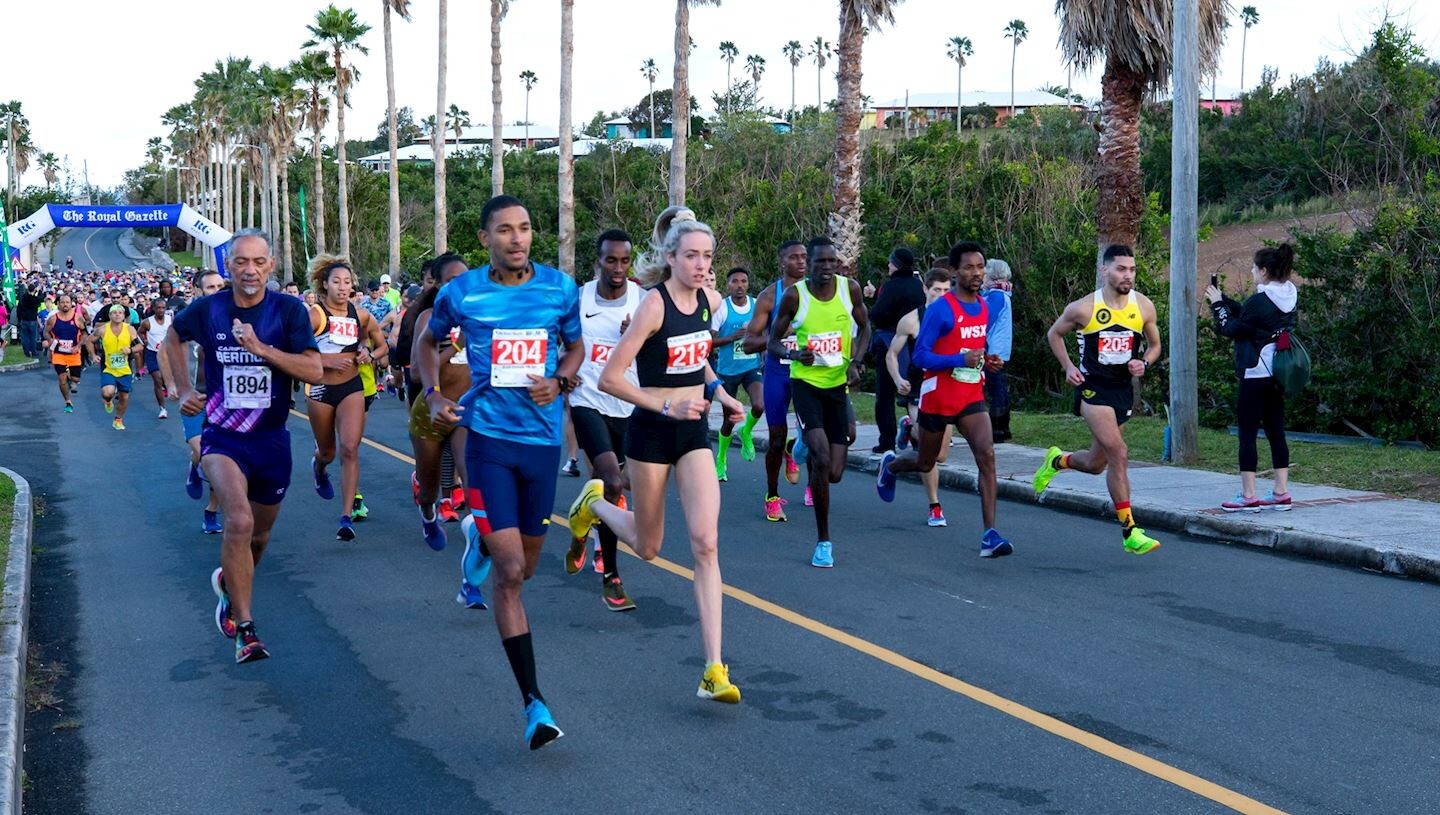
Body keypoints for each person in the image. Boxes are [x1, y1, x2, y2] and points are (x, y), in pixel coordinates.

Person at [414, 194, 583, 750]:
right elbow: (426, 342)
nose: (517, 238)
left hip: (542, 445)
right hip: (487, 442)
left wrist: (559, 380)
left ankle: (479, 543)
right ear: (485, 238)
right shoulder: (461, 292)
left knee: (525, 567)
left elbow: (576, 348)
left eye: (525, 228)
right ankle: (535, 704)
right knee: (511, 573)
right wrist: (434, 394)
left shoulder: (559, 288)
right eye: (505, 230)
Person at [567, 205, 745, 704]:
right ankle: (594, 504)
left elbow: (696, 356)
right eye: (691, 256)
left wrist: (721, 394)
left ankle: (713, 669)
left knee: (706, 543)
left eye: (707, 256)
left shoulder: (710, 300)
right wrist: (666, 404)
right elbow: (611, 378)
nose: (701, 265)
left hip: (692, 433)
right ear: (671, 258)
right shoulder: (652, 306)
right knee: (648, 547)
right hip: (651, 432)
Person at [164, 228, 322, 664]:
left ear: (271, 266)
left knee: (260, 534)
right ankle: (245, 630)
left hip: (271, 441)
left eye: (258, 262)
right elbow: (172, 338)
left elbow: (314, 370)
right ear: (228, 266)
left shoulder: (288, 310)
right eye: (240, 262)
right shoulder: (210, 308)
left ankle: (229, 587)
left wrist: (262, 349)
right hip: (223, 436)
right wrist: (183, 388)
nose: (249, 270)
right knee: (238, 519)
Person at [878, 242, 1012, 556]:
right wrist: (959, 360)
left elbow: (974, 350)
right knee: (926, 462)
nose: (976, 273)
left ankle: (990, 535)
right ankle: (891, 466)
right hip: (938, 395)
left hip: (970, 394)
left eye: (980, 267)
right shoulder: (941, 309)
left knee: (987, 456)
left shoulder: (984, 306)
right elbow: (921, 357)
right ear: (954, 272)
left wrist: (987, 362)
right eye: (969, 267)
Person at [1032, 244, 1163, 555]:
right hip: (1092, 389)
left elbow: (1155, 346)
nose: (1128, 275)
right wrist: (1068, 367)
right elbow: (1054, 334)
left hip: (1121, 390)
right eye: (1121, 269)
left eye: (1132, 269)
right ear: (1105, 270)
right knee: (1119, 452)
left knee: (1095, 464)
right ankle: (1130, 531)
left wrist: (1144, 363)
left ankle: (1057, 460)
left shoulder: (1143, 306)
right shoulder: (1084, 308)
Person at [767, 236, 870, 568]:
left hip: (837, 387)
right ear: (808, 265)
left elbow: (865, 328)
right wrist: (795, 354)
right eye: (819, 262)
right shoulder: (795, 296)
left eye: (831, 261)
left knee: (835, 473)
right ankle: (823, 542)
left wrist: (856, 363)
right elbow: (772, 342)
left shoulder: (849, 290)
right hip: (806, 385)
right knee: (822, 460)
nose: (826, 267)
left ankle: (800, 449)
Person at [564, 229, 643, 612]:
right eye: (611, 260)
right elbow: (558, 343)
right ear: (598, 262)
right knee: (610, 481)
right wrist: (563, 373)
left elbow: (659, 351)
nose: (618, 268)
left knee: (620, 485)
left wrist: (639, 337)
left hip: (628, 405)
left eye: (624, 261)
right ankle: (611, 575)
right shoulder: (577, 299)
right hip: (588, 401)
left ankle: (582, 519)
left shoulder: (643, 301)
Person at [1206, 243, 1298, 511]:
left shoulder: (1259, 301)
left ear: (1265, 270)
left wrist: (1218, 306)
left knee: (1247, 434)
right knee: (1276, 432)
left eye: (1254, 268)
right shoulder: (1289, 295)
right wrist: (1223, 299)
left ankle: (1248, 496)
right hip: (1277, 374)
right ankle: (1281, 492)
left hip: (1255, 373)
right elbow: (1251, 319)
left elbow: (1232, 328)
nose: (1252, 272)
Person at [305, 255, 389, 541]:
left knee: (350, 448)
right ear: (324, 284)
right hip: (320, 390)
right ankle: (319, 467)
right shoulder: (315, 315)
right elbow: (294, 351)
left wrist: (369, 354)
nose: (343, 287)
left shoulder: (360, 315)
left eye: (347, 282)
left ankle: (345, 517)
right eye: (336, 282)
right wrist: (326, 360)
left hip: (352, 387)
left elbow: (382, 346)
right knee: (328, 452)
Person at [405, 254, 471, 560]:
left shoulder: (480, 317)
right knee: (429, 488)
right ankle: (429, 516)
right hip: (430, 412)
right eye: (451, 281)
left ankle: (478, 536)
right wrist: (456, 346)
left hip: (465, 411)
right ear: (439, 286)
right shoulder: (428, 318)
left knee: (471, 475)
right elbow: (417, 373)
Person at [740, 241, 809, 521]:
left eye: (804, 257)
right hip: (778, 371)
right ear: (782, 261)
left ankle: (806, 470)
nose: (801, 261)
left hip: (808, 371)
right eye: (794, 257)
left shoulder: (818, 292)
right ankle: (771, 495)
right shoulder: (770, 296)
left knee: (814, 434)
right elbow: (748, 343)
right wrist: (778, 335)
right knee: (777, 438)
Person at [884, 268, 954, 526]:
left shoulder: (955, 317)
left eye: (946, 290)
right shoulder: (912, 320)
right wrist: (897, 379)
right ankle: (935, 506)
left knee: (941, 456)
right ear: (925, 289)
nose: (941, 295)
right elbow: (891, 354)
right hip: (919, 390)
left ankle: (906, 430)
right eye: (936, 290)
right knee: (928, 452)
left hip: (948, 389)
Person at [177, 269, 228, 535]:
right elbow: (165, 352)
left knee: (220, 458)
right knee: (203, 452)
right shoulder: (186, 319)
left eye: (220, 286)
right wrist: (174, 385)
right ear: (198, 290)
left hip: (224, 399)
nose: (217, 292)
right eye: (210, 287)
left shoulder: (233, 317)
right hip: (195, 398)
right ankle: (194, 464)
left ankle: (211, 511)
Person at [865, 247, 925, 453]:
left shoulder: (891, 286)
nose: (888, 266)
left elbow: (878, 314)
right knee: (913, 395)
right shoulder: (918, 285)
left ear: (896, 265)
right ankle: (918, 439)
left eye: (890, 263)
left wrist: (875, 304)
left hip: (890, 343)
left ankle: (886, 442)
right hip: (914, 345)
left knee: (885, 396)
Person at [711, 266, 765, 482]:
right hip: (727, 371)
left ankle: (746, 432)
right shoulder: (722, 309)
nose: (739, 285)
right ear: (728, 285)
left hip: (751, 367)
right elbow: (709, 341)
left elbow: (764, 333)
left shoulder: (756, 305)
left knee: (759, 405)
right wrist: (731, 337)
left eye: (743, 281)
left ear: (748, 284)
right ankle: (721, 458)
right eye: (735, 281)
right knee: (729, 421)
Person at [89, 299, 142, 430]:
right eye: (114, 313)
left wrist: (130, 350)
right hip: (109, 368)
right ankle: (107, 401)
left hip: (125, 370)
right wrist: (93, 355)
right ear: (110, 315)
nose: (117, 315)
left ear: (124, 316)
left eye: (120, 313)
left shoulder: (129, 329)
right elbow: (89, 341)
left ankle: (118, 420)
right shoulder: (102, 330)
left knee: (124, 397)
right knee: (108, 392)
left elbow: (140, 346)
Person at [982, 259, 1014, 442]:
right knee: (998, 386)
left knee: (996, 387)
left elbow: (986, 320)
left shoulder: (996, 296)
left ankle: (998, 428)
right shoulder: (1002, 294)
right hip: (999, 347)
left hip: (993, 349)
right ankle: (1001, 427)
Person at [43, 293, 87, 414]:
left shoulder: (78, 318)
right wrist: (50, 340)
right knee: (61, 378)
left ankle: (70, 378)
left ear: (71, 304)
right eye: (62, 302)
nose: (65, 304)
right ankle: (67, 401)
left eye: (67, 302)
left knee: (75, 379)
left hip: (74, 353)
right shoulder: (53, 318)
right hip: (58, 353)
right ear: (58, 304)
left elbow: (85, 333)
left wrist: (78, 346)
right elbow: (45, 332)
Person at [139, 298, 174, 419]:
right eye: (158, 308)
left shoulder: (170, 320)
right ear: (153, 308)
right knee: (157, 379)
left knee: (164, 378)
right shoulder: (147, 322)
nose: (161, 310)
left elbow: (176, 332)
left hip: (167, 353)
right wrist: (144, 340)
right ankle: (162, 409)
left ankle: (166, 385)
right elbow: (139, 332)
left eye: (163, 308)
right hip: (152, 353)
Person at [16, 281, 42, 358]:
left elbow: (18, 309)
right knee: (33, 337)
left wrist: (19, 319)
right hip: (32, 320)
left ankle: (26, 352)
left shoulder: (23, 298)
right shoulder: (34, 299)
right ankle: (33, 352)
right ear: (34, 290)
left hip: (24, 319)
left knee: (25, 337)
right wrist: (39, 291)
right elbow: (40, 298)